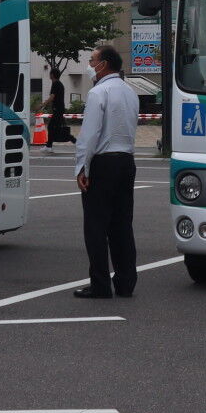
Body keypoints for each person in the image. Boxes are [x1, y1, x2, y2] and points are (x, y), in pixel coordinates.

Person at [72, 44, 139, 300]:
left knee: (96, 226)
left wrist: (82, 167)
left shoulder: (99, 92)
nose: (90, 65)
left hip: (103, 163)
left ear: (104, 64)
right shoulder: (130, 92)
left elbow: (90, 135)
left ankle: (100, 284)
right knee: (122, 225)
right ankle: (125, 282)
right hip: (126, 161)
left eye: (92, 61)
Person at [46, 76, 71, 147]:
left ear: (52, 75)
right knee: (52, 126)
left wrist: (43, 105)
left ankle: (49, 146)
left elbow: (52, 96)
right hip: (59, 109)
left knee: (51, 126)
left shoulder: (55, 84)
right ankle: (49, 145)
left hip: (57, 110)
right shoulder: (60, 84)